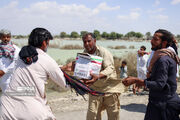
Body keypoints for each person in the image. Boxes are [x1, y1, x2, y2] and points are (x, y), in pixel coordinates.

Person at [0, 28, 66, 120]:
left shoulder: (21, 53)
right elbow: (65, 84)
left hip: (5, 106)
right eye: (48, 42)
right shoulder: (46, 59)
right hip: (30, 111)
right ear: (44, 42)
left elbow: (35, 69)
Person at [123, 29, 180, 120]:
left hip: (165, 105)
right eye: (152, 38)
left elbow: (160, 84)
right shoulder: (160, 56)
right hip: (157, 102)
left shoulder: (163, 60)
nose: (151, 41)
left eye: (155, 39)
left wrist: (136, 80)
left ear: (164, 43)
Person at [62, 33, 121, 120]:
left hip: (110, 89)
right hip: (95, 90)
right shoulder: (84, 54)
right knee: (92, 115)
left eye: (89, 41)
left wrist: (98, 75)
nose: (86, 44)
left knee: (113, 116)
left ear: (94, 41)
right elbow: (78, 67)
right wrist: (60, 69)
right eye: (84, 42)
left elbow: (110, 68)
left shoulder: (103, 52)